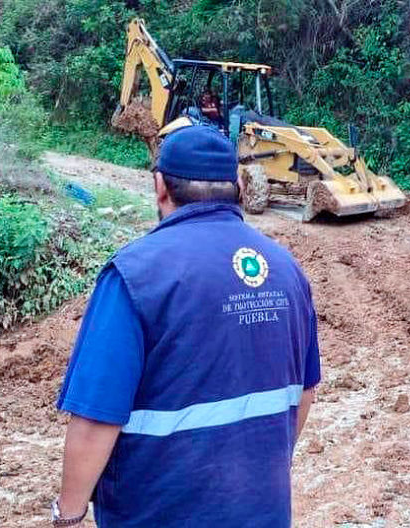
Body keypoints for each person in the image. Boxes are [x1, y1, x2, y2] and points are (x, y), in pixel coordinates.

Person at [52, 125, 322, 527]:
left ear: (161, 186)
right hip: (263, 513)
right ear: (240, 188)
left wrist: (68, 517)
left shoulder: (134, 275)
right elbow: (303, 391)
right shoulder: (285, 270)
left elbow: (95, 419)